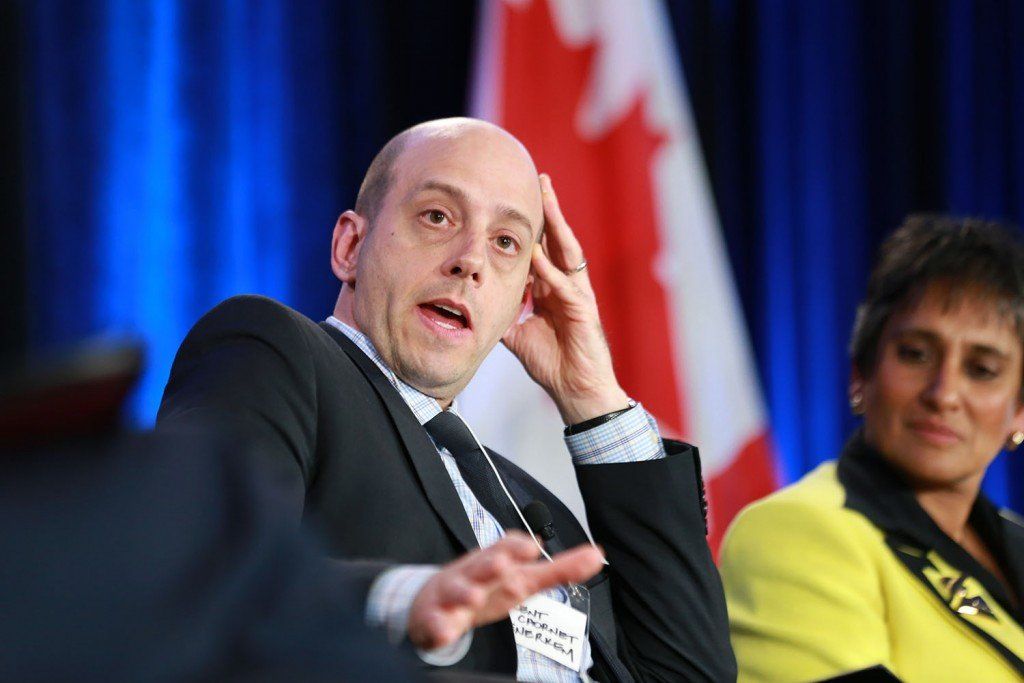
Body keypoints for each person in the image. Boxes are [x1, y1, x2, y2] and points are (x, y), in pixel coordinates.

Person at [157, 118, 734, 682]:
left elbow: (691, 672)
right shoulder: (276, 353)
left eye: (505, 242)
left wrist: (594, 399)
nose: (471, 262)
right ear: (350, 245)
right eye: (438, 216)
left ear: (520, 302)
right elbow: (205, 578)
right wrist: (404, 601)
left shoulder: (540, 511)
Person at [719, 215, 1024, 682]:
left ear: (1018, 411)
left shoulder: (1014, 543)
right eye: (916, 354)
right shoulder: (796, 533)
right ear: (861, 375)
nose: (943, 394)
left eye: (981, 369)